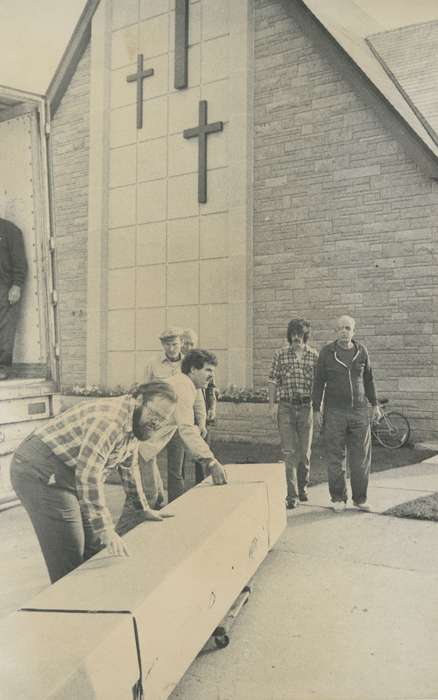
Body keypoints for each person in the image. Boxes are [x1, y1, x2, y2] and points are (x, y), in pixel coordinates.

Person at [10, 382, 177, 583]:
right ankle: (67, 606)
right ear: (139, 399)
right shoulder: (109, 421)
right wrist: (105, 527)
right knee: (70, 554)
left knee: (96, 547)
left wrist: (142, 508)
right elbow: (89, 475)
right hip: (38, 470)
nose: (156, 424)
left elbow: (128, 466)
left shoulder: (135, 422)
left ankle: (89, 603)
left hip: (68, 470)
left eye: (163, 420)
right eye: (155, 415)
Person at [118, 349, 227, 533]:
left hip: (142, 447)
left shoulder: (186, 386)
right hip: (133, 444)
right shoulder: (182, 387)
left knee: (157, 499)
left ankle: (145, 543)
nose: (211, 376)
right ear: (193, 369)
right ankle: (111, 544)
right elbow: (186, 429)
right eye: (208, 370)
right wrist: (211, 461)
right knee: (145, 500)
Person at [312, 314, 382, 513]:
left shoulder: (362, 352)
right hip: (334, 412)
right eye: (341, 328)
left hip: (359, 412)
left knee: (360, 458)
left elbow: (369, 379)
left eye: (348, 328)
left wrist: (374, 404)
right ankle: (338, 498)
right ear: (336, 331)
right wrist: (317, 409)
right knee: (335, 456)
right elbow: (318, 383)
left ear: (354, 331)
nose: (344, 331)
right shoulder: (327, 353)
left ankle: (360, 498)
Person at [269, 319, 318, 509]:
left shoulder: (314, 356)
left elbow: (319, 384)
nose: (297, 337)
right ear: (289, 336)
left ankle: (303, 488)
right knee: (289, 452)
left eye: (300, 334)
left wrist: (318, 408)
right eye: (293, 334)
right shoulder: (280, 355)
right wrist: (272, 405)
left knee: (305, 452)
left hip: (306, 407)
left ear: (305, 335)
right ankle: (292, 495)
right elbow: (272, 381)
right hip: (286, 407)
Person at [181, 328, 218, 484]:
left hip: (199, 412)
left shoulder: (203, 365)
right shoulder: (180, 366)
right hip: (183, 412)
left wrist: (211, 408)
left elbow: (210, 389)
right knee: (181, 453)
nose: (189, 346)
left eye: (192, 343)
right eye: (186, 343)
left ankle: (201, 482)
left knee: (201, 448)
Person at [0, 215, 27, 380]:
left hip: (4, 287)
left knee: (5, 329)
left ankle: (2, 368)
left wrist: (16, 285)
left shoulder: (9, 230)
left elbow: (20, 261)